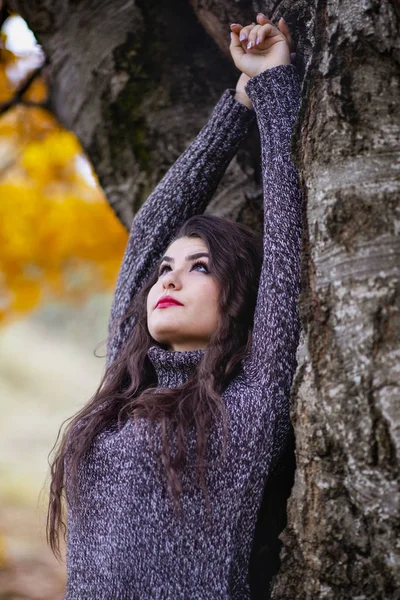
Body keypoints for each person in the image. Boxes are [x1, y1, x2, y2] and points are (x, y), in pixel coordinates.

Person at [47, 12, 303, 600]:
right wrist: (236, 103)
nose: (170, 279)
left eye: (201, 267)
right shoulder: (124, 384)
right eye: (167, 269)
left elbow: (288, 238)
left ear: (240, 298)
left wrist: (272, 87)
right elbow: (149, 233)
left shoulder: (248, 405)